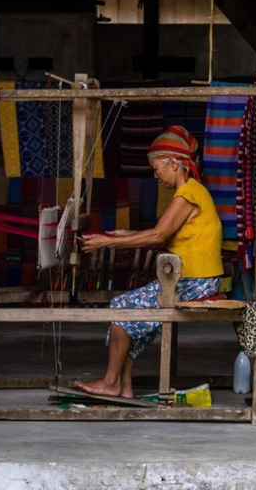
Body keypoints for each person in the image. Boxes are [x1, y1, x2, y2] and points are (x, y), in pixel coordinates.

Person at [74, 125, 223, 398]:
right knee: (133, 316)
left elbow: (157, 235)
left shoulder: (189, 194)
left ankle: (110, 383)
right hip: (193, 278)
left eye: (156, 169)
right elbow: (161, 235)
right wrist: (118, 234)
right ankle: (124, 386)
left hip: (196, 281)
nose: (155, 175)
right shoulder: (191, 192)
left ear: (174, 163)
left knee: (121, 308)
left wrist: (108, 242)